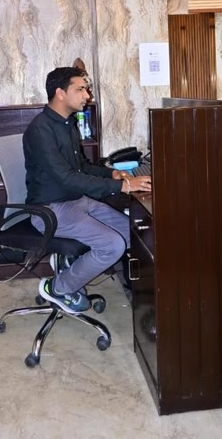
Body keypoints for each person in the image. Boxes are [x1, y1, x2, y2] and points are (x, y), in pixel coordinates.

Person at [22, 66, 152, 314]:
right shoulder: (40, 130)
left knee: (131, 233)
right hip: (50, 210)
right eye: (81, 89)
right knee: (112, 245)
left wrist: (111, 174)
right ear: (60, 93)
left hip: (75, 201)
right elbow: (66, 178)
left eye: (87, 89)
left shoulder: (67, 123)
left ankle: (69, 266)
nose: (87, 95)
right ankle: (57, 287)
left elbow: (80, 166)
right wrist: (123, 185)